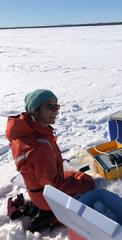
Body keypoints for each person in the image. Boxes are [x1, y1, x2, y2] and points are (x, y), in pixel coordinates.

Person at [6, 89, 94, 231]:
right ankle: (51, 213)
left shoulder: (26, 131)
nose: (56, 111)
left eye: (57, 106)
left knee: (74, 175)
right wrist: (84, 183)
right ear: (35, 111)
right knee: (87, 181)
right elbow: (54, 186)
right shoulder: (39, 146)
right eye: (50, 107)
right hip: (46, 197)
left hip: (36, 189)